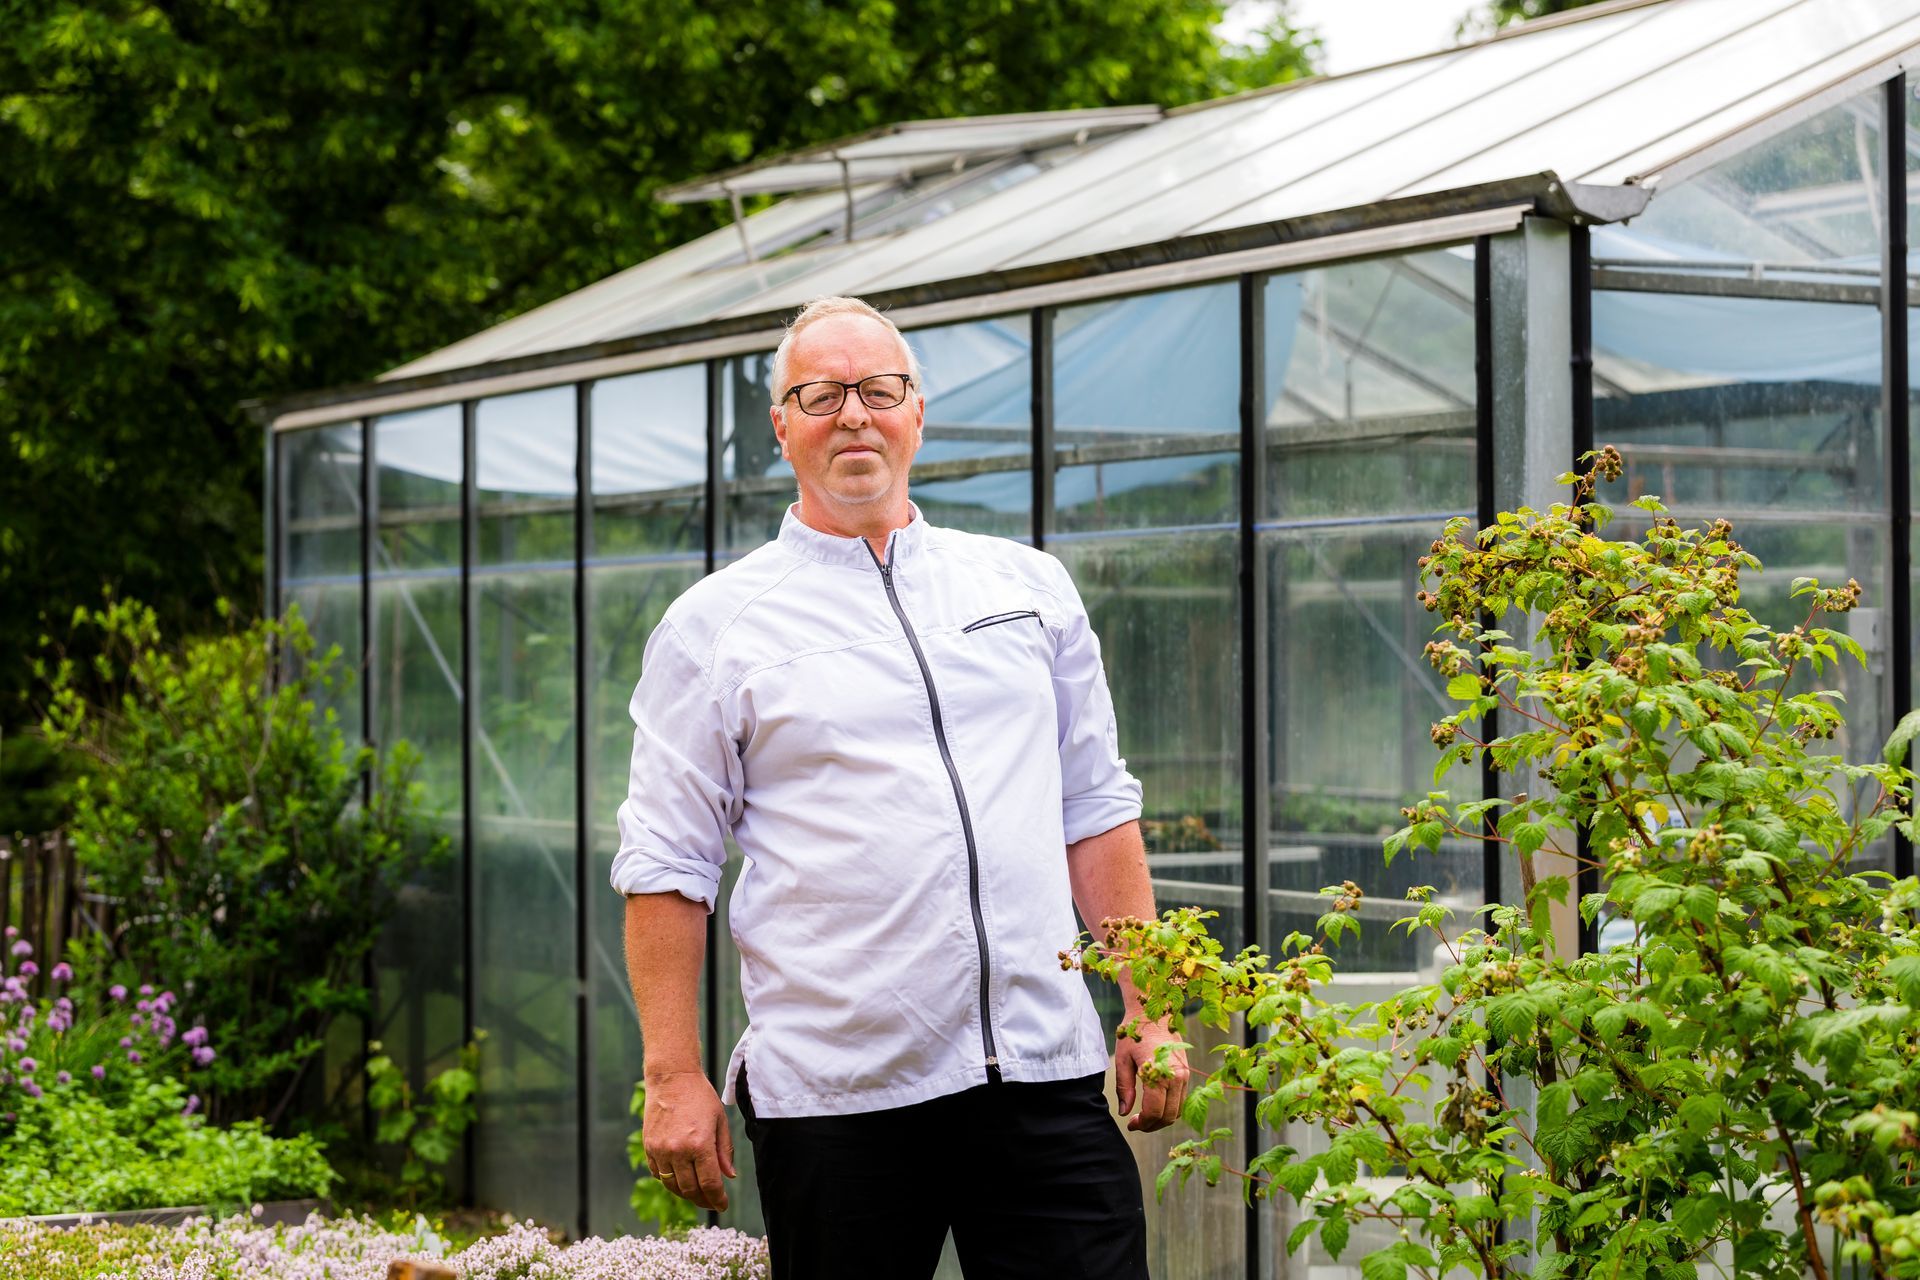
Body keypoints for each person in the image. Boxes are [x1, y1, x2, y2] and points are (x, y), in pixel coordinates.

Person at [612, 295, 1187, 1279]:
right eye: (821, 392)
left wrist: (1149, 1003)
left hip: (1043, 1074)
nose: (854, 414)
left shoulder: (1027, 586)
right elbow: (668, 865)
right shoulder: (718, 626)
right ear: (781, 425)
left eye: (879, 389)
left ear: (917, 411)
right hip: (839, 1097)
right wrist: (672, 1073)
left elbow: (1092, 806)